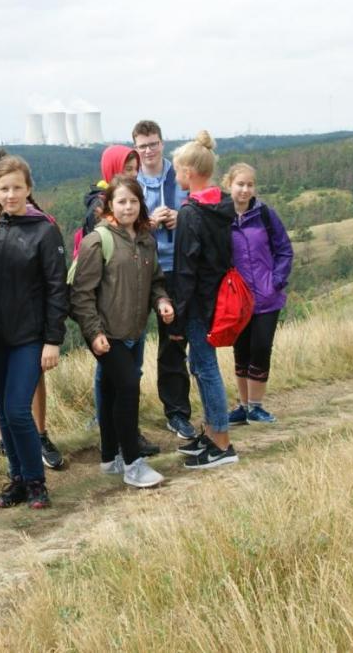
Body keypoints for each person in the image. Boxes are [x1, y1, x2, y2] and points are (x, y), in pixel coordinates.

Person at [70, 176, 174, 488]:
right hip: (106, 333)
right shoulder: (97, 241)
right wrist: (94, 332)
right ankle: (133, 464)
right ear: (110, 205)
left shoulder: (145, 238)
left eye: (133, 201)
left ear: (141, 203)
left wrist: (162, 301)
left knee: (115, 390)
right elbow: (81, 294)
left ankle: (109, 458)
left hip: (133, 328)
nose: (128, 207)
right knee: (128, 388)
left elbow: (155, 280)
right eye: (121, 201)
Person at [0, 155, 69, 509]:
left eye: (17, 187)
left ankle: (36, 481)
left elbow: (56, 288)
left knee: (18, 409)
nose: (11, 194)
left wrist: (53, 340)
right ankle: (17, 479)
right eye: (4, 188)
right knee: (4, 413)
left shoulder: (45, 230)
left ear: (29, 188)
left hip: (29, 337)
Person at [168, 130, 240, 469]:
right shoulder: (222, 207)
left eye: (178, 169)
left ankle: (222, 443)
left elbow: (185, 271)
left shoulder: (191, 213)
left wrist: (178, 319)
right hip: (219, 298)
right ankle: (212, 433)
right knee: (201, 365)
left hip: (199, 303)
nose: (176, 174)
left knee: (206, 369)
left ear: (190, 172)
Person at [131, 120, 195, 441]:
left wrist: (179, 217)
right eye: (142, 146)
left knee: (173, 344)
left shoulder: (180, 176)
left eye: (153, 144)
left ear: (162, 143)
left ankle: (177, 413)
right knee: (129, 345)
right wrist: (148, 223)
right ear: (136, 149)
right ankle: (124, 420)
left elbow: (199, 211)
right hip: (141, 272)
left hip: (177, 270)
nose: (148, 151)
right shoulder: (131, 185)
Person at [222, 163, 294, 424]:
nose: (245, 189)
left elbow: (284, 249)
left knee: (261, 349)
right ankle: (243, 407)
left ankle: (256, 406)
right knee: (241, 352)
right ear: (229, 184)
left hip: (267, 297)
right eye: (240, 184)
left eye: (250, 185)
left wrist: (276, 281)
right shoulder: (221, 217)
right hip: (237, 300)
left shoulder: (265, 214)